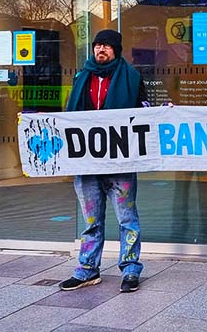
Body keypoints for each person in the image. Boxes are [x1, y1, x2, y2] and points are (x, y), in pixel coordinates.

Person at [60, 29, 148, 294]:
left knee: (127, 218)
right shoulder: (81, 77)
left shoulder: (131, 77)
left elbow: (145, 108)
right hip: (87, 163)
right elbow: (69, 114)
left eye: (107, 46)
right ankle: (87, 269)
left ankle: (130, 268)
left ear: (116, 50)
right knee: (91, 220)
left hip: (120, 162)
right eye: (98, 45)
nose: (101, 50)